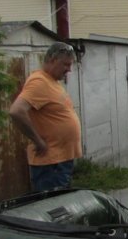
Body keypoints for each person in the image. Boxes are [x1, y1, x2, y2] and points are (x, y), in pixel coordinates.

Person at [9, 42, 82, 192]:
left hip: (59, 161)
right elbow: (16, 111)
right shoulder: (39, 82)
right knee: (55, 209)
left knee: (62, 206)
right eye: (66, 65)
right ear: (53, 60)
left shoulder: (52, 82)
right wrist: (38, 141)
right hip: (51, 164)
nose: (69, 69)